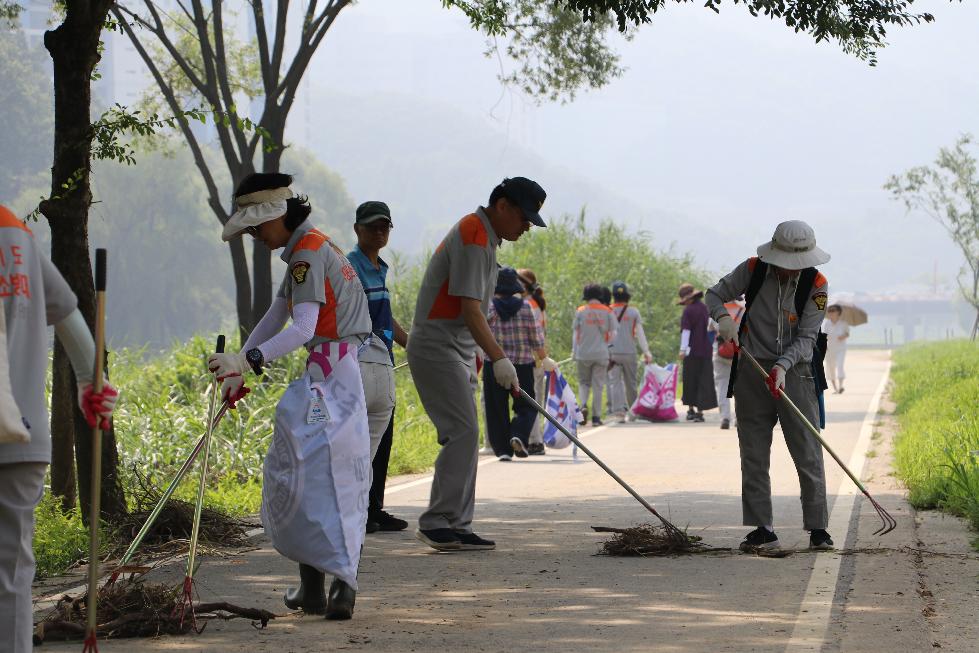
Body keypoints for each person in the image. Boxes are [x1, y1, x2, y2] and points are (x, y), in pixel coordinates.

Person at [207, 173, 371, 619]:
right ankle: (327, 588)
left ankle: (329, 587)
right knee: (332, 475)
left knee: (305, 473)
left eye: (256, 228)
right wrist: (240, 359)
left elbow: (302, 328)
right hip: (342, 369)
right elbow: (279, 312)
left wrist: (248, 360)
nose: (255, 237)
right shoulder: (311, 246)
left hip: (336, 375)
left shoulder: (307, 254)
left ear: (277, 217)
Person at [0, 205, 118, 653]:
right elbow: (67, 312)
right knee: (10, 577)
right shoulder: (15, 232)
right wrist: (92, 381)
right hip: (23, 436)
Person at [408, 176, 547, 552]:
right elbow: (471, 310)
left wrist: (485, 356)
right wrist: (500, 358)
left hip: (457, 349)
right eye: (524, 219)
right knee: (464, 431)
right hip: (438, 346)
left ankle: (456, 523)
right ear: (502, 207)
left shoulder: (486, 237)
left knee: (467, 436)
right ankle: (437, 521)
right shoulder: (473, 234)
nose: (525, 229)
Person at [705, 219, 833, 551]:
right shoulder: (753, 269)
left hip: (797, 373)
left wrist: (783, 366)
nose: (791, 270)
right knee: (754, 452)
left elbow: (808, 337)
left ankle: (818, 528)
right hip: (750, 368)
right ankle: (763, 527)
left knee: (807, 451)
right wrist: (722, 319)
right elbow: (715, 294)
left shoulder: (817, 284)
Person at [347, 201, 410, 533]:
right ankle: (359, 509)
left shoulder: (380, 267)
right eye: (372, 226)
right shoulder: (350, 266)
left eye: (384, 226)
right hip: (358, 362)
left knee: (380, 438)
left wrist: (410, 343)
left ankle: (374, 506)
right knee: (361, 440)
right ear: (357, 229)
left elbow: (385, 317)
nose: (379, 231)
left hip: (382, 361)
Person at [483, 267, 551, 461]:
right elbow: (536, 339)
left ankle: (503, 451)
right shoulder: (526, 307)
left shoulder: (489, 308)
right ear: (515, 286)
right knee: (527, 406)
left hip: (494, 365)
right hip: (522, 365)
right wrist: (544, 358)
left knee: (496, 408)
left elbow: (480, 333)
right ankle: (519, 435)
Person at [607, 281, 652, 422]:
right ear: (627, 296)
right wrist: (646, 352)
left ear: (613, 296)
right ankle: (633, 412)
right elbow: (640, 334)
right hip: (629, 352)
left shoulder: (607, 311)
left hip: (612, 354)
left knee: (615, 383)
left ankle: (619, 413)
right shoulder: (633, 312)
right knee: (630, 383)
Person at [573, 283, 616, 427]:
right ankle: (596, 418)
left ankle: (583, 406)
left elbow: (575, 334)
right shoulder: (608, 311)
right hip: (601, 353)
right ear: (600, 296)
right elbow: (613, 334)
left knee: (584, 383)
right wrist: (608, 346)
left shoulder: (580, 311)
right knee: (598, 385)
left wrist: (574, 352)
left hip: (583, 353)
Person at [517, 268, 548, 455]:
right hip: (537, 357)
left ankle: (535, 441)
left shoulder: (528, 304)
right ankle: (535, 439)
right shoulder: (537, 303)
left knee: (531, 400)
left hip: (531, 358)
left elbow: (533, 335)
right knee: (535, 399)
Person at [678, 283, 717, 422]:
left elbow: (686, 331)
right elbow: (713, 329)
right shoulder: (706, 309)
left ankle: (690, 410)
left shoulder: (688, 311)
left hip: (691, 351)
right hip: (706, 350)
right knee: (703, 380)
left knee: (690, 380)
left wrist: (682, 350)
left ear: (688, 298)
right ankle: (700, 412)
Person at [709, 297, 745, 430]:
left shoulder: (717, 310)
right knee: (739, 387)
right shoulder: (743, 309)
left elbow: (711, 328)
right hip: (740, 354)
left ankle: (725, 417)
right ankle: (738, 418)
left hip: (720, 353)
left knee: (722, 386)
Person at [822, 305, 849, 393]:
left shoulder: (843, 323)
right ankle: (835, 388)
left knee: (840, 365)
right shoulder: (827, 323)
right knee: (830, 368)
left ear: (838, 312)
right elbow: (824, 337)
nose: (831, 312)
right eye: (829, 311)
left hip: (841, 348)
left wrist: (842, 336)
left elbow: (847, 334)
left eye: (833, 310)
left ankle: (841, 386)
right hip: (829, 349)